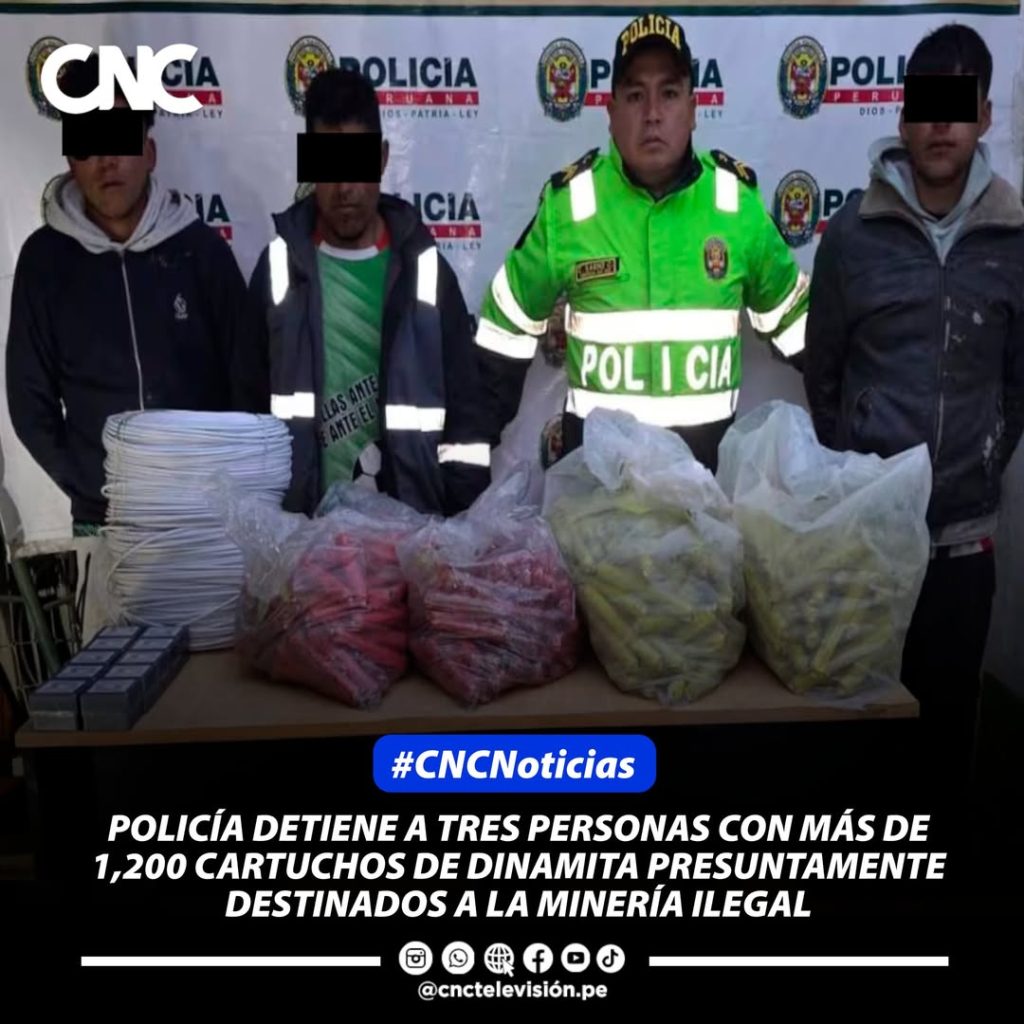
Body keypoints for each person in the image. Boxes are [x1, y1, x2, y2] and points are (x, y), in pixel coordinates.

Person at [804, 24, 1024, 787]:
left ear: (985, 118)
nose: (941, 125)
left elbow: (1017, 382)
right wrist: (858, 471)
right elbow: (823, 371)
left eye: (959, 107)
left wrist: (985, 455)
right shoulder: (850, 237)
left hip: (963, 546)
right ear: (902, 118)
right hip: (866, 541)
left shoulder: (1015, 240)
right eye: (927, 106)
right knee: (859, 737)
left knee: (945, 741)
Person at [474, 12, 809, 472]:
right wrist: (465, 465)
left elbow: (805, 332)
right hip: (594, 500)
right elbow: (501, 337)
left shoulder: (736, 206)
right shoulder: (569, 208)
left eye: (668, 93)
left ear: (693, 109)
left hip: (704, 497)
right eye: (635, 95)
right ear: (611, 113)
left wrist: (853, 425)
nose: (652, 114)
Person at [6, 53, 266, 534]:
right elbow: (28, 400)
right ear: (71, 159)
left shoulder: (201, 251)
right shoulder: (44, 262)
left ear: (149, 152)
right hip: (104, 521)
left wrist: (224, 477)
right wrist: (89, 484)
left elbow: (248, 380)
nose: (107, 160)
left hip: (206, 516)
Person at [249, 67, 490, 516]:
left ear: (381, 158)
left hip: (412, 537)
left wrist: (461, 527)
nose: (345, 188)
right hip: (302, 537)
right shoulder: (277, 271)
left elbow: (466, 421)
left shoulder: (426, 272)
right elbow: (244, 414)